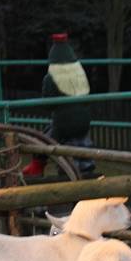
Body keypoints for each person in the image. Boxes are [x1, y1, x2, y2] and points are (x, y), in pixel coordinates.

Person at [22, 33, 95, 177]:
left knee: (45, 138)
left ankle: (38, 166)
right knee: (78, 139)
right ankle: (87, 167)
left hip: (64, 124)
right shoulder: (80, 73)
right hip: (84, 122)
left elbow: (48, 104)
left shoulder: (51, 77)